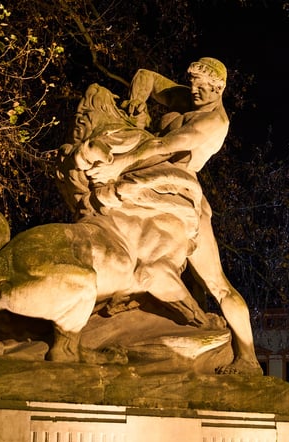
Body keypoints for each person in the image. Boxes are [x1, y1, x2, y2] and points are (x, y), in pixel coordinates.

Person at [83, 57, 263, 376]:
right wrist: (138, 101)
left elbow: (162, 144)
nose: (195, 92)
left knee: (217, 285)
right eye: (193, 84)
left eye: (204, 89)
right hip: (148, 170)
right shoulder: (186, 95)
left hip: (177, 188)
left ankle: (247, 357)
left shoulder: (214, 122)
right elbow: (145, 75)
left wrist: (117, 165)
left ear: (219, 89)